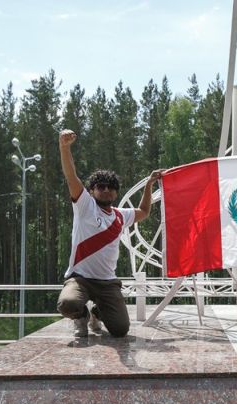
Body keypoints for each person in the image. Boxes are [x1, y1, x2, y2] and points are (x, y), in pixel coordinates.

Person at [57, 129, 162, 337]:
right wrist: (64, 147)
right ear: (92, 190)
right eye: (101, 186)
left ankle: (97, 313)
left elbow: (144, 211)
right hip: (80, 279)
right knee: (67, 304)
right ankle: (81, 317)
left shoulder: (121, 215)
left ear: (116, 192)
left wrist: (149, 184)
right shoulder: (85, 205)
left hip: (107, 282)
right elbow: (71, 177)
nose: (106, 190)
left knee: (121, 330)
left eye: (111, 187)